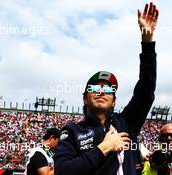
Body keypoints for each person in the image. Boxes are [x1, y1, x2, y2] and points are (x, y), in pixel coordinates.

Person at [54, 2, 159, 175]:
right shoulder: (72, 131)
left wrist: (147, 40)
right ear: (85, 98)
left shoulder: (127, 122)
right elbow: (63, 171)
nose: (102, 91)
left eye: (109, 90)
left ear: (114, 101)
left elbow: (146, 88)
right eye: (95, 87)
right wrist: (104, 148)